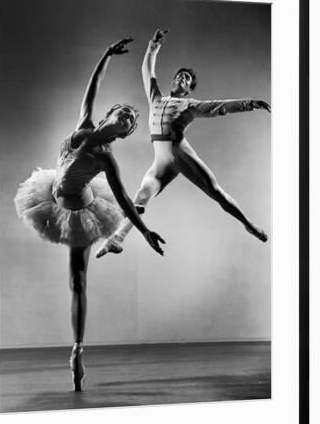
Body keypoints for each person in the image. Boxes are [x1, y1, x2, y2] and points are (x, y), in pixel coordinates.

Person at [14, 38, 165, 392]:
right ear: (110, 114)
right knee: (75, 281)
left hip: (81, 212)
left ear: (124, 134)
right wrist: (106, 56)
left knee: (77, 282)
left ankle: (77, 350)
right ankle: (77, 348)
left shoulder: (105, 158)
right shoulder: (82, 124)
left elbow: (125, 200)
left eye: (131, 122)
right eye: (125, 112)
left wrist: (143, 232)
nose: (128, 118)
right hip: (51, 198)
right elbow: (91, 90)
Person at [96, 29, 271, 259]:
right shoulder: (156, 98)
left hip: (180, 152)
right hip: (160, 159)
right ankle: (116, 239)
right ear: (173, 80)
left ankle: (248, 224)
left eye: (187, 78)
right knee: (140, 198)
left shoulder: (188, 105)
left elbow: (220, 106)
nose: (182, 78)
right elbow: (147, 71)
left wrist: (250, 103)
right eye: (180, 75)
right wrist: (153, 46)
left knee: (216, 192)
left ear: (189, 89)